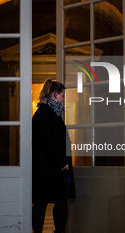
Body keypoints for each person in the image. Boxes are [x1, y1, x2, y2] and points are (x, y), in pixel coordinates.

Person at [32, 78, 75, 233]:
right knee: (53, 203)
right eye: (62, 96)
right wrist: (61, 162)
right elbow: (47, 143)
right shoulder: (44, 114)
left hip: (48, 169)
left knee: (43, 203)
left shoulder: (47, 113)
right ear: (55, 95)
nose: (63, 100)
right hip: (51, 169)